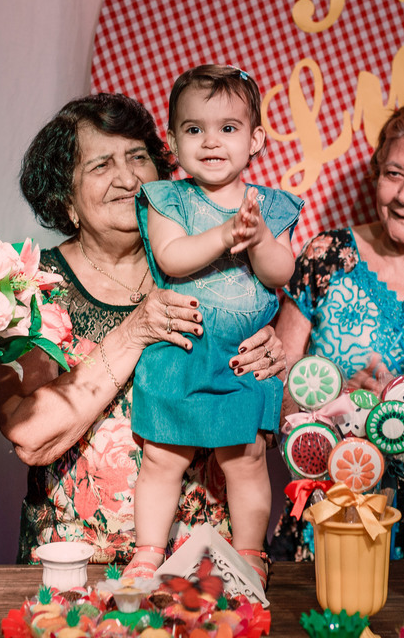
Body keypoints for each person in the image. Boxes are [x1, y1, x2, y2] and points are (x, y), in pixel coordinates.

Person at [0, 92, 287, 566]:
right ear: (64, 197)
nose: (128, 178)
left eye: (138, 157)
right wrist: (134, 332)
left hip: (207, 563)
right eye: (101, 165)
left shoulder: (222, 267)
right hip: (78, 567)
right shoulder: (31, 284)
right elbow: (29, 435)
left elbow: (261, 435)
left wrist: (270, 361)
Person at [270, 96, 404, 562]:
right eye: (394, 174)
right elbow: (276, 382)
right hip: (329, 512)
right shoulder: (325, 257)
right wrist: (333, 406)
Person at [124, 65, 303, 583]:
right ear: (174, 142)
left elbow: (281, 271)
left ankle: (250, 554)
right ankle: (148, 551)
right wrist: (227, 233)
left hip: (242, 355)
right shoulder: (168, 199)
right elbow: (173, 257)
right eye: (193, 129)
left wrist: (261, 238)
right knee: (160, 458)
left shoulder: (270, 206)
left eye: (228, 128)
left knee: (246, 460)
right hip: (182, 348)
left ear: (256, 140)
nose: (210, 141)